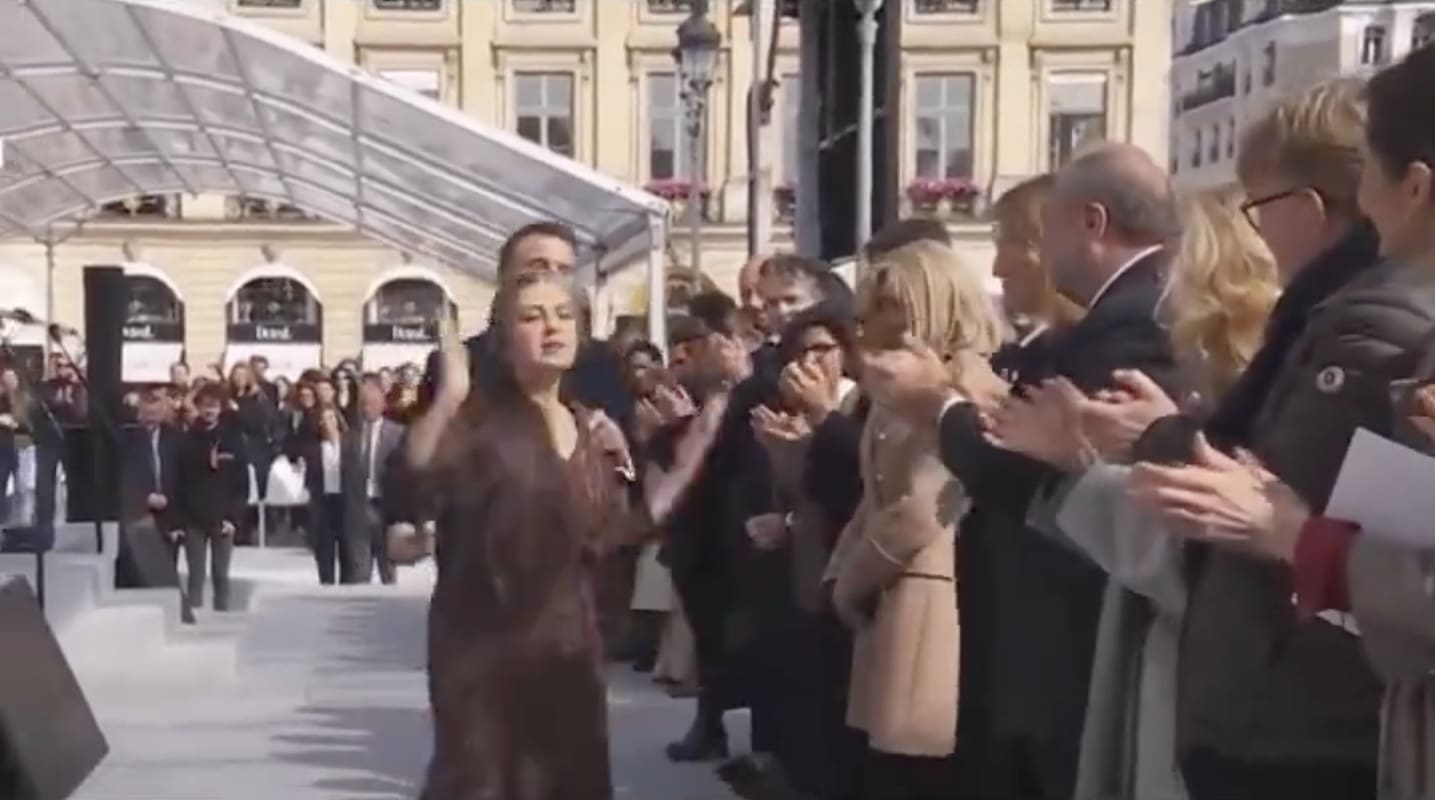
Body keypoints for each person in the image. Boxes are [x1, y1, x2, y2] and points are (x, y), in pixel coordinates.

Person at [863, 143, 1183, 799]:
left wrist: (942, 405)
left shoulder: (1134, 330)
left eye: (1031, 236)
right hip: (1041, 646)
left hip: (1065, 643)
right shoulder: (1107, 325)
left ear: (1089, 223)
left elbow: (1034, 476)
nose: (1008, 259)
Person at [176, 383, 249, 612]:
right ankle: (194, 620)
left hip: (222, 517)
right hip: (193, 517)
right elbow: (178, 482)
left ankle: (222, 615)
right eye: (205, 406)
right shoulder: (186, 440)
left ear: (221, 409)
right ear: (197, 407)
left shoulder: (233, 439)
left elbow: (241, 484)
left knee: (220, 573)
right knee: (195, 574)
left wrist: (233, 518)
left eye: (214, 406)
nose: (209, 411)